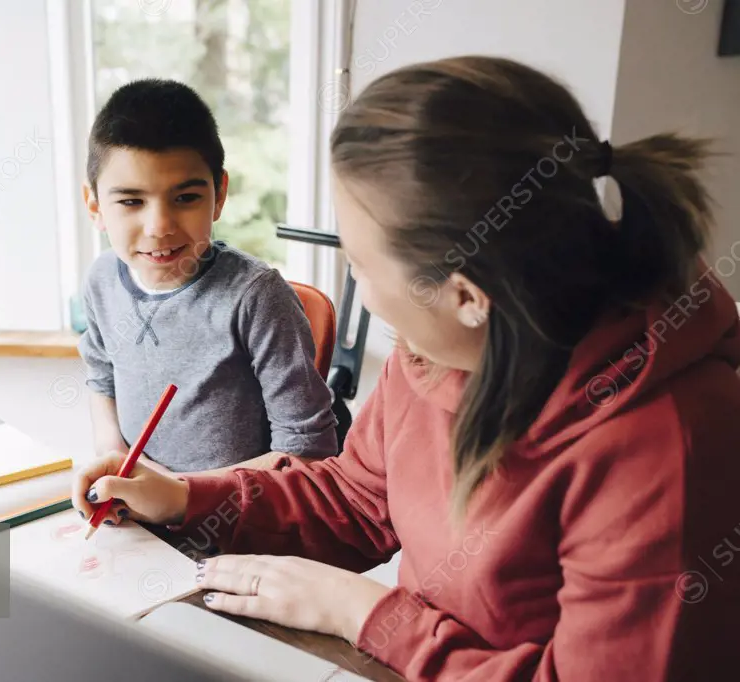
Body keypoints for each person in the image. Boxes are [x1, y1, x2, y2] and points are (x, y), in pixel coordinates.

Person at [72, 56, 740, 681]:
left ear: (464, 296)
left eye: (358, 264)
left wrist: (364, 613)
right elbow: (357, 503)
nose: (353, 284)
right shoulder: (434, 353)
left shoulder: (669, 446)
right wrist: (187, 497)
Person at [77, 78, 338, 475]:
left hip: (234, 526)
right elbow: (101, 382)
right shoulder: (101, 281)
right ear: (94, 205)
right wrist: (115, 460)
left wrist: (179, 493)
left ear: (219, 194)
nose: (159, 226)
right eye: (131, 201)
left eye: (185, 198)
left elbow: (307, 454)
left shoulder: (257, 297)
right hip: (141, 514)